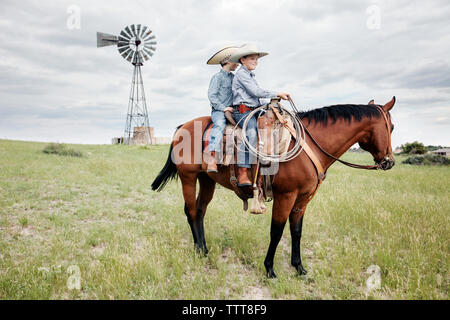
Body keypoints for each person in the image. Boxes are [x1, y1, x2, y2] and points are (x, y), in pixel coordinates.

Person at [229, 43, 290, 186]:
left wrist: (270, 103)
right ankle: (243, 171)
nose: (255, 61)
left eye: (256, 59)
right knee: (250, 132)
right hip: (243, 111)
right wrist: (276, 93)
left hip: (254, 110)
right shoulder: (241, 75)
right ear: (242, 60)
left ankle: (270, 159)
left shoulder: (250, 76)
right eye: (252, 58)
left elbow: (258, 97)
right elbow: (255, 92)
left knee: (275, 124)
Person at [206, 46, 240, 173]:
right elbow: (212, 96)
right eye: (235, 61)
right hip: (219, 111)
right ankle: (212, 157)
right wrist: (223, 107)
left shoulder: (234, 77)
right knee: (219, 125)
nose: (237, 64)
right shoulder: (217, 77)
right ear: (227, 61)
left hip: (233, 111)